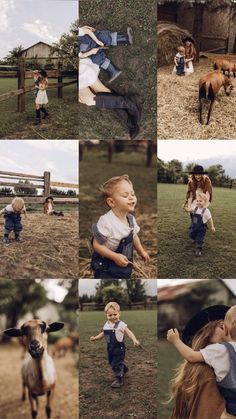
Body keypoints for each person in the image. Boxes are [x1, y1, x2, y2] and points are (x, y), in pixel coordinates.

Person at [167, 305, 236, 418]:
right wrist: (176, 340)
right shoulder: (205, 372)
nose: (227, 332)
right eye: (222, 327)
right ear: (207, 333)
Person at [90, 174, 150, 279]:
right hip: (105, 264)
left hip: (122, 264)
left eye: (133, 194)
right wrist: (114, 256)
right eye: (125, 196)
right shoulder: (106, 221)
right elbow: (97, 246)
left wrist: (142, 252)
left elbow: (134, 236)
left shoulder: (131, 220)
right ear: (111, 202)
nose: (131, 197)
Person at [90, 301, 140, 388]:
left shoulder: (121, 324)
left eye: (115, 314)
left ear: (119, 314)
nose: (113, 317)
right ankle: (123, 368)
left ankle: (119, 379)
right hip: (110, 348)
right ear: (106, 315)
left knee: (116, 364)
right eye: (110, 315)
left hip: (119, 348)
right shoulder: (106, 324)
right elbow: (103, 334)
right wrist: (95, 338)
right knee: (111, 362)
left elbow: (128, 332)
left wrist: (134, 339)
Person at [184, 191, 215, 256]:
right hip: (194, 226)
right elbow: (189, 210)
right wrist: (185, 208)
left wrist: (212, 226)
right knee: (191, 234)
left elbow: (210, 219)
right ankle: (194, 239)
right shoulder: (195, 208)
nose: (198, 203)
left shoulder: (206, 211)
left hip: (201, 228)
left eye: (200, 201)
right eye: (197, 201)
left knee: (199, 238)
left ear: (205, 202)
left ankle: (199, 249)